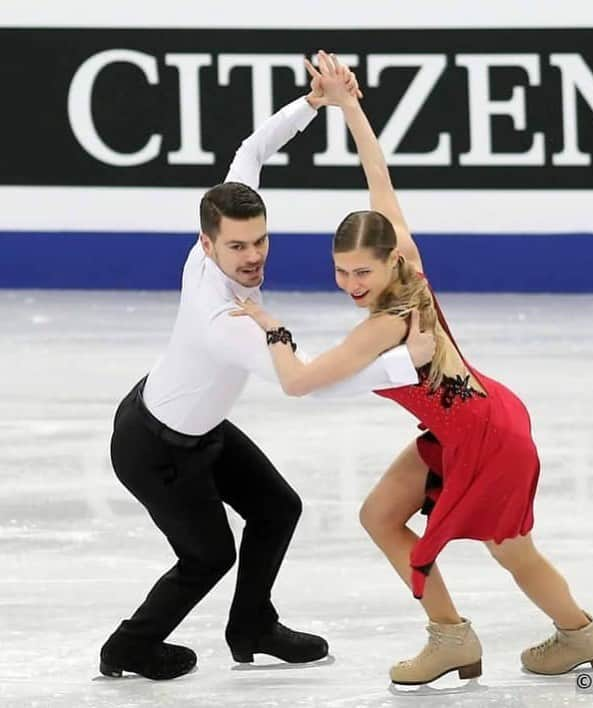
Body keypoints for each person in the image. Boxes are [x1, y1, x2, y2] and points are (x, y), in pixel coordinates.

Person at [233, 51, 593, 686]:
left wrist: (272, 327)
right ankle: (451, 637)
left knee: (510, 549)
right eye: (341, 271)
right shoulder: (404, 253)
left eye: (362, 272)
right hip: (468, 421)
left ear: (385, 266)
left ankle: (579, 634)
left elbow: (298, 382)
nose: (352, 284)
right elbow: (376, 171)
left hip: (489, 440)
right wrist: (346, 102)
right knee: (380, 515)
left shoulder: (384, 323)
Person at [100, 70, 436, 681]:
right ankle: (128, 647)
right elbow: (304, 381)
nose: (253, 256)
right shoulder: (225, 318)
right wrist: (400, 364)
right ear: (208, 246)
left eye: (260, 240)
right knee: (208, 555)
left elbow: (251, 152)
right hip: (155, 448)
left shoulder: (222, 229)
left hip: (201, 429)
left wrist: (312, 103)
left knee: (278, 508)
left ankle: (251, 624)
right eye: (238, 249)